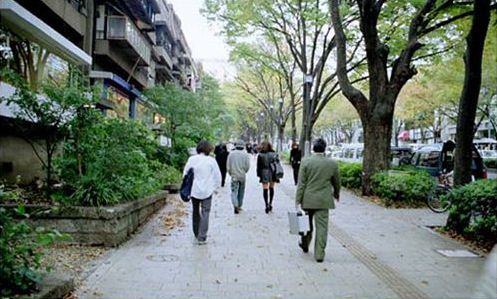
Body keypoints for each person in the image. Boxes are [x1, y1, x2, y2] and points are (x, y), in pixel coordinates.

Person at [295, 138, 340, 262]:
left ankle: (305, 245)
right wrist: (336, 194)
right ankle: (319, 254)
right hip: (323, 200)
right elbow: (336, 182)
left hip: (307, 199)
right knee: (322, 228)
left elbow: (301, 183)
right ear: (324, 148)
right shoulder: (332, 163)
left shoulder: (306, 162)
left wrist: (297, 200)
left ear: (313, 148)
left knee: (306, 225)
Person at [183, 140, 221, 245]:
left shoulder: (192, 159)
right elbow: (217, 176)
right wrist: (216, 187)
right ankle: (202, 236)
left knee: (195, 211)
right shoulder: (211, 161)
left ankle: (196, 232)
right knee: (206, 212)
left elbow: (185, 174)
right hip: (207, 191)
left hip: (194, 190)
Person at [227, 141, 251, 214]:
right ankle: (239, 205)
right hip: (242, 176)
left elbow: (228, 166)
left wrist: (230, 173)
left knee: (234, 191)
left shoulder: (231, 154)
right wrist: (244, 172)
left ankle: (235, 204)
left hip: (234, 175)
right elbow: (247, 166)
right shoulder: (246, 154)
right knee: (241, 191)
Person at [256, 141, 279, 213]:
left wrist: (259, 175)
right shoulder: (275, 154)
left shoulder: (260, 155)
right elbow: (278, 164)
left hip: (264, 172)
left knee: (265, 189)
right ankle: (270, 203)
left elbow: (258, 167)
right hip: (273, 172)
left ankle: (266, 204)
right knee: (271, 188)